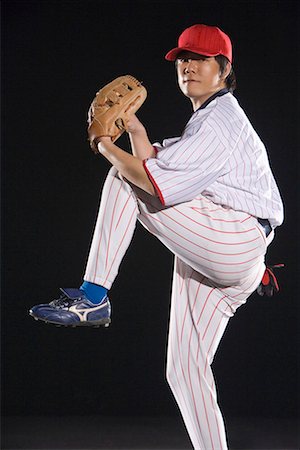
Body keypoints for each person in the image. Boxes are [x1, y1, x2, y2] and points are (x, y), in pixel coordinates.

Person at [30, 24, 284, 450]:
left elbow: (151, 183)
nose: (188, 66)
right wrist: (132, 129)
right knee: (185, 370)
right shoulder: (208, 119)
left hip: (233, 238)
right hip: (227, 254)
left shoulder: (221, 120)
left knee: (123, 176)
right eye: (183, 58)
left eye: (200, 59)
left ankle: (93, 297)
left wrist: (104, 146)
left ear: (223, 69)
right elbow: (158, 164)